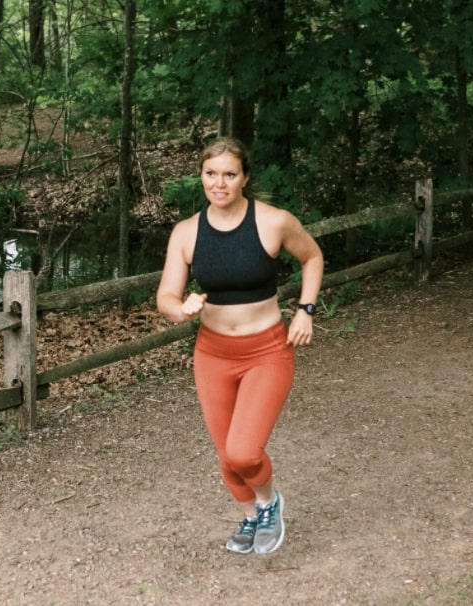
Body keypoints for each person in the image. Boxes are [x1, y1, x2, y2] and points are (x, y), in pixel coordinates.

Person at [156, 136, 324, 555]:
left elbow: (312, 257)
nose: (219, 183)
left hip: (266, 351)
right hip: (212, 354)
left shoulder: (273, 221)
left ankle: (270, 503)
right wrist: (182, 309)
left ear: (244, 178)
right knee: (227, 459)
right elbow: (165, 298)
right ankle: (251, 515)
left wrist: (306, 310)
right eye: (211, 174)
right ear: (201, 176)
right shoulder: (186, 233)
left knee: (244, 452)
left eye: (229, 174)